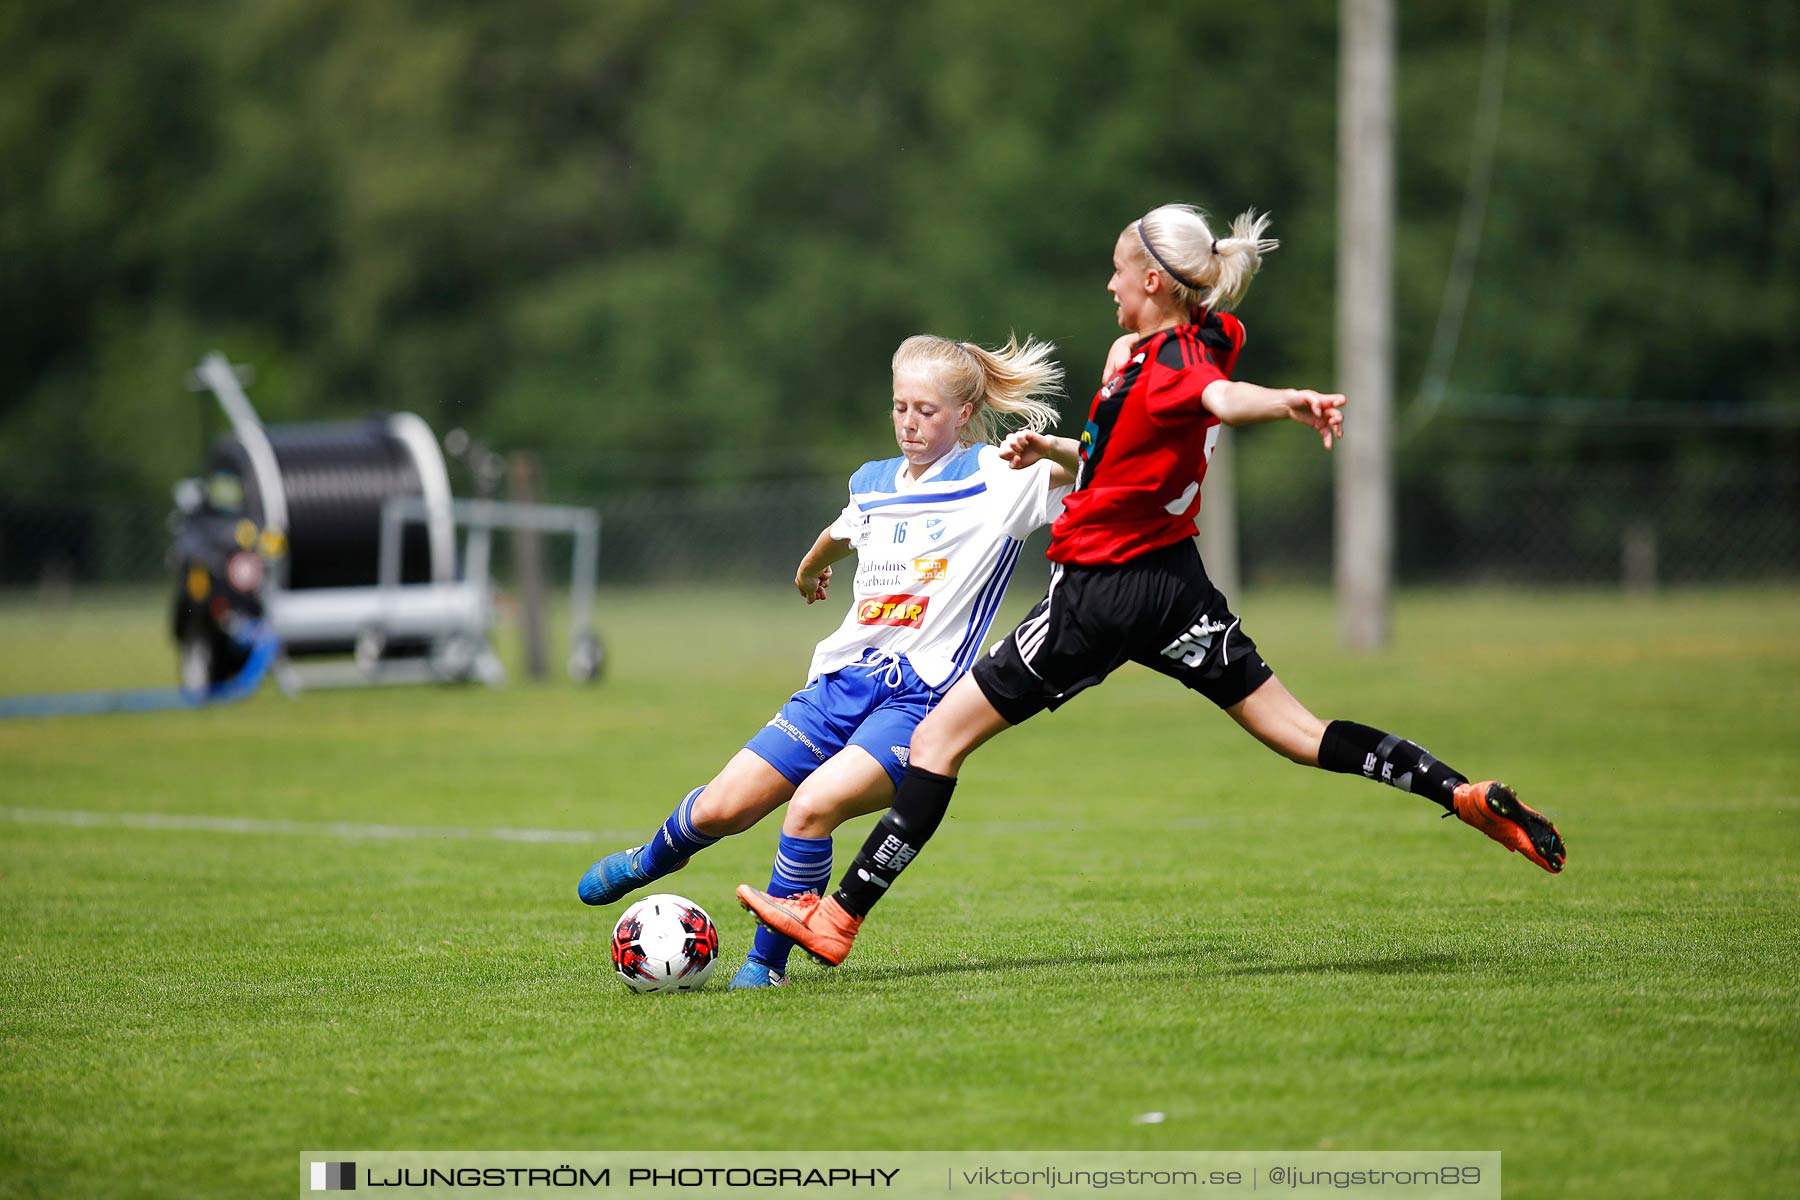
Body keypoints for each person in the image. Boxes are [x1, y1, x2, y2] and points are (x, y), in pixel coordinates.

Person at [738, 203, 1568, 967]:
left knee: (936, 744)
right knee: (1299, 732)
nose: (1106, 282)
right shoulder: (1198, 337)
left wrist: (1288, 404)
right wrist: (1059, 453)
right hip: (1176, 585)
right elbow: (1132, 441)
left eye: (1116, 268)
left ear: (1150, 281)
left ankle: (837, 916)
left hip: (1098, 592)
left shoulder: (1172, 365)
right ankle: (1454, 791)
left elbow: (1215, 397)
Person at [577, 333, 1078, 987]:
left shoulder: (1000, 476)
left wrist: (1053, 451)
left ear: (962, 413)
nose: (908, 422)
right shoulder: (872, 481)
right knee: (722, 810)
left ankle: (767, 966)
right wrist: (811, 567)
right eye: (900, 406)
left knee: (812, 807)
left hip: (921, 702)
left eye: (925, 410)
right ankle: (653, 858)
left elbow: (1099, 463)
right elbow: (845, 530)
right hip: (841, 683)